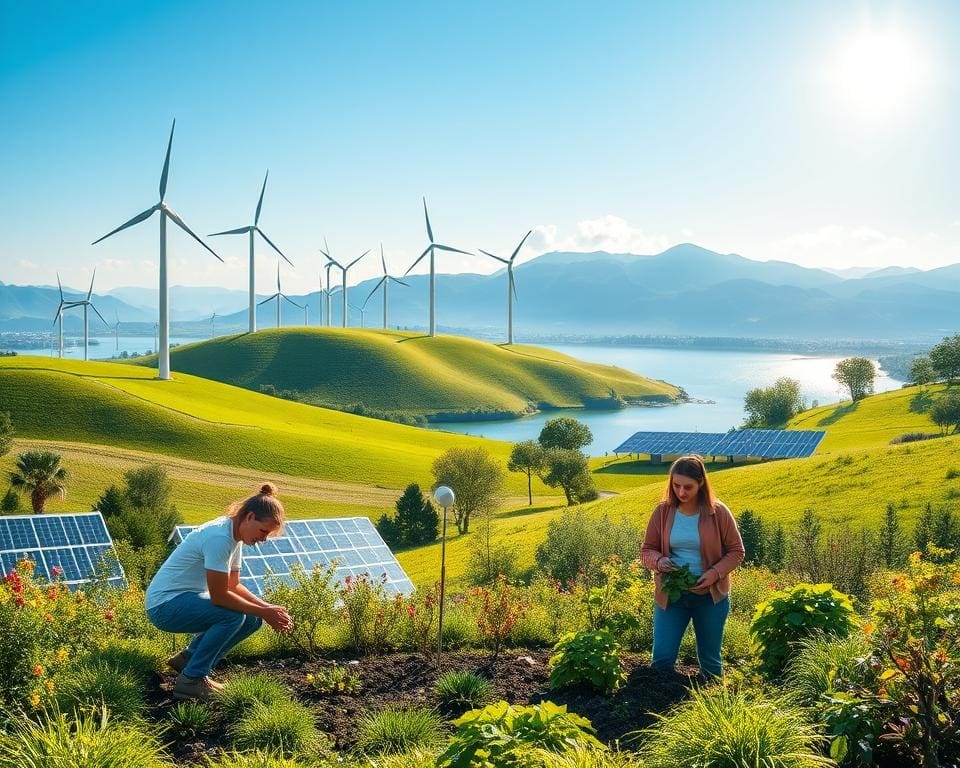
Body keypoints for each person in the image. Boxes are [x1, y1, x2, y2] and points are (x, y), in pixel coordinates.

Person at [145, 483, 294, 700]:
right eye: (263, 531)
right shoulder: (220, 538)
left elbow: (233, 585)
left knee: (252, 619)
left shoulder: (235, 536)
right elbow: (220, 596)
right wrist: (265, 612)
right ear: (250, 517)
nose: (263, 539)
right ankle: (191, 681)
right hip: (164, 607)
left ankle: (188, 660)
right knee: (231, 615)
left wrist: (266, 609)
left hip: (182, 600)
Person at [641, 455, 744, 678]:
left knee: (710, 662)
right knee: (662, 660)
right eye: (676, 486)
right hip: (672, 594)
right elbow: (647, 550)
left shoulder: (718, 512)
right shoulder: (662, 512)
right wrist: (659, 561)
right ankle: (663, 707)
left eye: (688, 487)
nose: (681, 492)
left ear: (701, 484)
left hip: (710, 596)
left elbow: (737, 551)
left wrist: (714, 573)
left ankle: (710, 706)